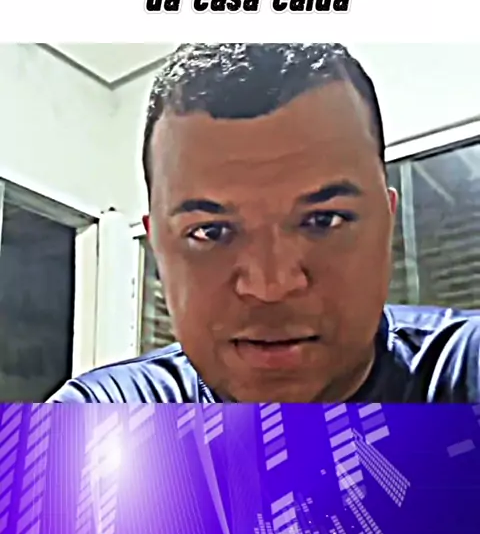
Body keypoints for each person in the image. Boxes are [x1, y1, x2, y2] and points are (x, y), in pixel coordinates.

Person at [50, 43, 480, 404]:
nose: (270, 286)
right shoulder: (108, 413)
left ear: (387, 224)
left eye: (324, 220)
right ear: (158, 248)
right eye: (211, 231)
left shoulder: (462, 374)